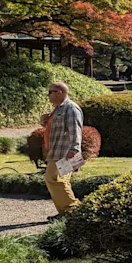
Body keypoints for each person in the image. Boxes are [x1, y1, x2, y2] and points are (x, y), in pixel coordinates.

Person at [41, 81, 83, 219]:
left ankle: (73, 210)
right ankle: (65, 212)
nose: (48, 95)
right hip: (57, 151)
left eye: (50, 92)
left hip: (65, 152)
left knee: (55, 179)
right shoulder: (59, 108)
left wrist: (74, 149)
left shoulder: (71, 108)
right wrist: (44, 121)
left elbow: (75, 129)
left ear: (60, 92)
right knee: (58, 180)